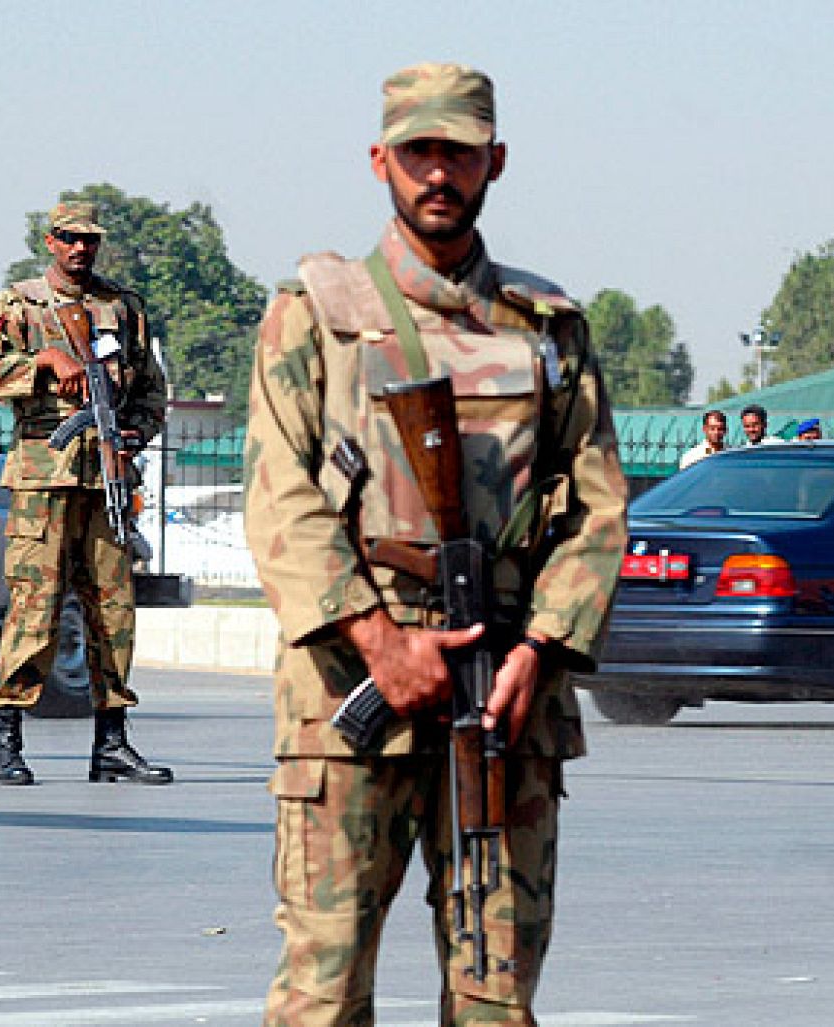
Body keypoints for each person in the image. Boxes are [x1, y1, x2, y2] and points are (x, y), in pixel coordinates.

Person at [243, 62, 627, 1024]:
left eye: (459, 151)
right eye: (419, 152)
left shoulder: (548, 329)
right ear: (382, 160)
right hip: (348, 698)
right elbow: (279, 501)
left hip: (504, 696)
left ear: (495, 160)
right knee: (321, 996)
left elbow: (597, 509)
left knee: (497, 997)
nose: (438, 173)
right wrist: (380, 641)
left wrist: (540, 648)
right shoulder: (315, 318)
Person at [0, 200, 171, 786]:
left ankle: (112, 742)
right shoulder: (19, 305)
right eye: (69, 239)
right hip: (43, 477)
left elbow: (151, 389)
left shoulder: (122, 308)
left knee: (113, 610)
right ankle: (8, 740)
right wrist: (42, 363)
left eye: (89, 240)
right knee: (35, 608)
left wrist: (134, 434)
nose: (80, 249)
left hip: (104, 475)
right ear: (50, 241)